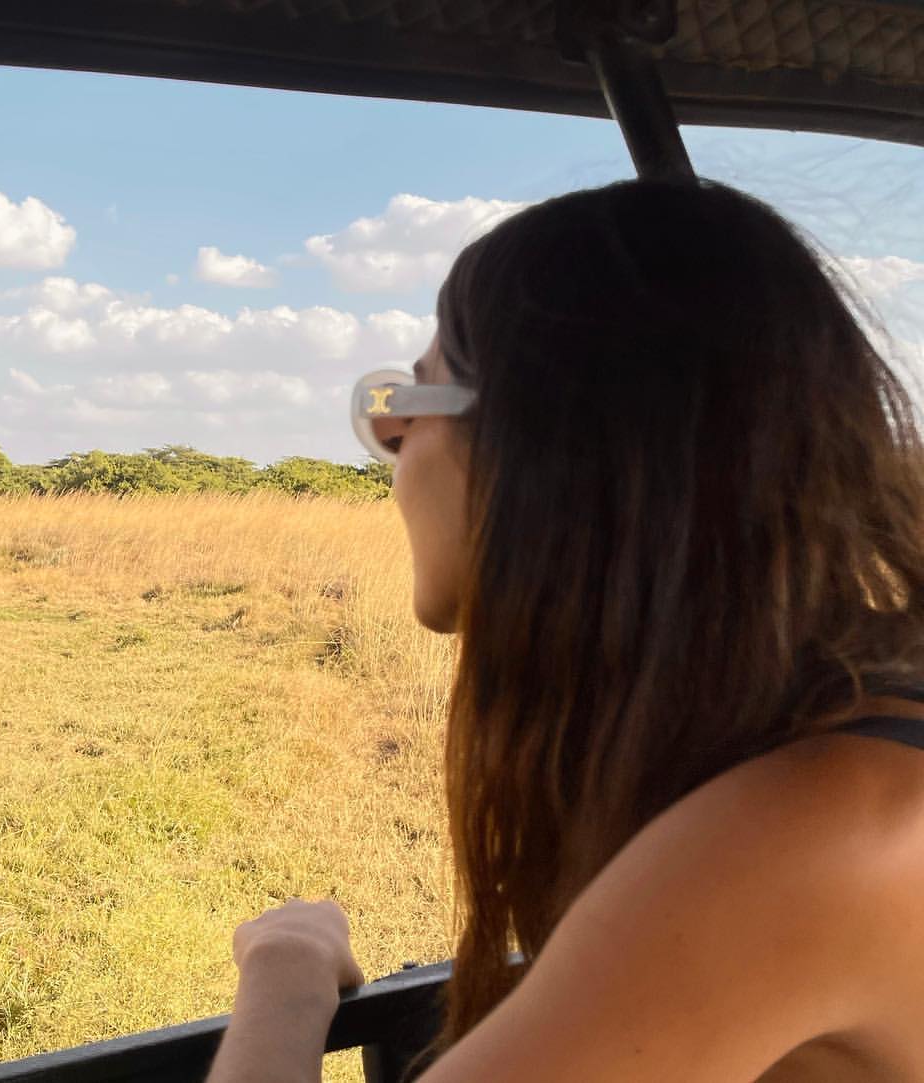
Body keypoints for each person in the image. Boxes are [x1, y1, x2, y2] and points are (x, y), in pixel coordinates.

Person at [205, 178, 924, 1083]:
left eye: (414, 399)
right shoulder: (844, 731)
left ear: (545, 449)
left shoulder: (800, 830)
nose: (391, 439)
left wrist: (286, 970)